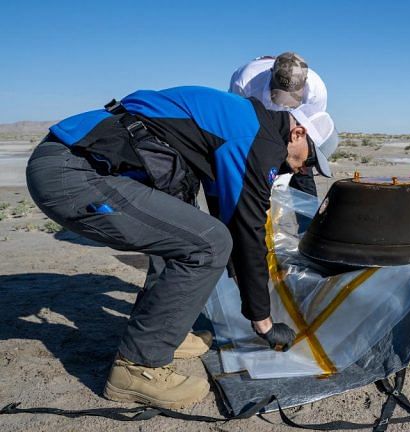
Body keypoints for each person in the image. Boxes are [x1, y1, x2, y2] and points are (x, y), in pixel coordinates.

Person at [26, 86, 339, 409]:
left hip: (78, 160)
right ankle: (138, 366)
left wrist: (239, 277)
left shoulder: (246, 122)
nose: (305, 170)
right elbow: (247, 230)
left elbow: (228, 212)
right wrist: (262, 321)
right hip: (74, 172)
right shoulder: (258, 141)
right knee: (209, 243)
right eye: (310, 160)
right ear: (297, 132)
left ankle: (163, 332)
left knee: (187, 231)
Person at [229, 52, 327, 224]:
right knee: (253, 184)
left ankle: (309, 233)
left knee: (303, 178)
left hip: (295, 135)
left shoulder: (317, 89)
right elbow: (238, 124)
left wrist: (303, 159)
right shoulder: (245, 81)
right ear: (270, 75)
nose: (283, 103)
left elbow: (313, 128)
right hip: (256, 131)